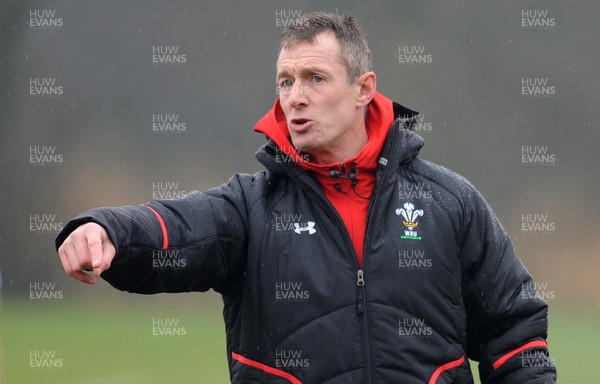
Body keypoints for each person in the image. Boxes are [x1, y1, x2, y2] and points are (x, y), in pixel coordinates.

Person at [56, 12, 556, 383]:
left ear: (364, 89)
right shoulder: (250, 208)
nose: (295, 95)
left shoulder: (450, 203)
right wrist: (104, 230)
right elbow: (176, 228)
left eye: (315, 78)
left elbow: (514, 332)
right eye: (286, 81)